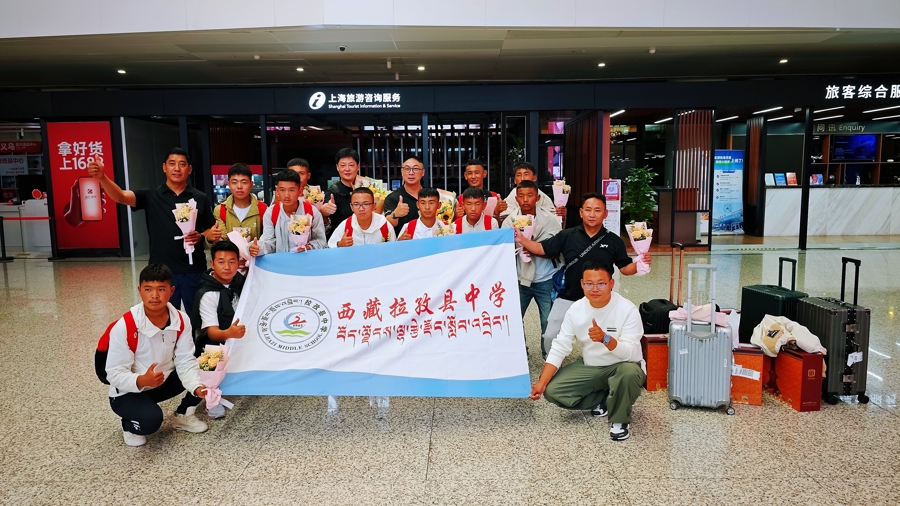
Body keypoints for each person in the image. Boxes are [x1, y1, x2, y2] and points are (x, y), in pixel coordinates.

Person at [514, 192, 652, 357]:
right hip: (568, 296)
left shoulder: (614, 241)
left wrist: (640, 264)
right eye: (588, 210)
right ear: (581, 212)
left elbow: (625, 268)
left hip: (601, 299)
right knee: (550, 335)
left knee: (607, 338)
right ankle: (552, 362)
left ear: (605, 213)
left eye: (597, 210)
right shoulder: (567, 235)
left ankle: (603, 364)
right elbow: (542, 248)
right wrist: (522, 239)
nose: (592, 214)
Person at [88, 148, 219, 312]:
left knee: (197, 317)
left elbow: (209, 229)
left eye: (182, 164)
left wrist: (200, 236)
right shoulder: (151, 196)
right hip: (161, 271)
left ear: (189, 169)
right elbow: (120, 196)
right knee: (164, 317)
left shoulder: (199, 197)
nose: (177, 168)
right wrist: (102, 177)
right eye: (172, 163)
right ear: (164, 167)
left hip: (194, 270)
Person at [529, 261, 645, 442]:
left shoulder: (627, 309)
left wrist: (606, 339)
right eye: (589, 284)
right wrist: (541, 382)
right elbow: (560, 346)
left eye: (601, 283)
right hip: (591, 366)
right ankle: (605, 398)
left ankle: (620, 420)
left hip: (623, 366)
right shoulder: (576, 309)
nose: (595, 289)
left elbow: (629, 353)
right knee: (552, 391)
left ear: (611, 283)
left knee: (629, 373)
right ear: (582, 284)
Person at [106, 263, 209, 447]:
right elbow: (113, 374)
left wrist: (196, 387)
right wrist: (141, 380)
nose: (154, 295)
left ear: (171, 291)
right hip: (128, 391)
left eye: (161, 289)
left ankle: (183, 414)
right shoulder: (125, 326)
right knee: (151, 421)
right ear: (139, 290)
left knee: (206, 368)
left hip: (162, 381)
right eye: (148, 289)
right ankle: (128, 425)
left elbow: (185, 359)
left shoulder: (181, 319)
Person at [190, 241, 246, 419]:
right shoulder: (208, 293)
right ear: (212, 264)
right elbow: (212, 333)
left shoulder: (240, 281)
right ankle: (211, 395)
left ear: (238, 263)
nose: (227, 267)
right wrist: (230, 333)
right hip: (215, 339)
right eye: (221, 262)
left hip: (238, 333)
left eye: (232, 261)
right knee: (211, 351)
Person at [502, 180, 560, 344]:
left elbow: (557, 248)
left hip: (546, 278)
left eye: (530, 195)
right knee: (513, 320)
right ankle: (520, 353)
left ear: (538, 197)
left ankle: (548, 354)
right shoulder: (510, 221)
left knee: (548, 322)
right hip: (520, 278)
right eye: (521, 196)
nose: (525, 199)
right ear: (516, 199)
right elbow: (504, 251)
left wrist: (535, 249)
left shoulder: (550, 219)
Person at [249, 169, 327, 256]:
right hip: (280, 262)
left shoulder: (312, 212)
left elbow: (321, 241)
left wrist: (309, 247)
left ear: (300, 191)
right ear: (277, 191)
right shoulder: (271, 213)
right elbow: (269, 242)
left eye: (291, 190)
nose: (286, 195)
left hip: (305, 260)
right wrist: (258, 248)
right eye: (282, 190)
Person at [212, 163, 266, 242]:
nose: (239, 186)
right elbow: (221, 241)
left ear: (251, 185)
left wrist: (259, 246)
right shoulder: (220, 210)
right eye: (234, 182)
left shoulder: (263, 209)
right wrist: (211, 238)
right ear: (229, 185)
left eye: (244, 182)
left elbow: (268, 240)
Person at [327, 187, 396, 247]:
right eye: (356, 204)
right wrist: (339, 244)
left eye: (366, 204)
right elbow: (330, 246)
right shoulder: (346, 226)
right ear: (351, 207)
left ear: (373, 206)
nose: (361, 209)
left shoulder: (384, 226)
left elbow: (393, 249)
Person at [499, 162, 564, 224]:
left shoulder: (543, 198)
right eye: (519, 175)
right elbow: (504, 222)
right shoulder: (512, 196)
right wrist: (496, 213)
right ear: (515, 180)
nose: (522, 178)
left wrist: (562, 216)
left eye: (526, 174)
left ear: (534, 178)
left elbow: (555, 222)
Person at [323, 148, 361, 239]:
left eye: (351, 165)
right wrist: (326, 209)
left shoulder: (367, 187)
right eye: (343, 165)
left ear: (358, 166)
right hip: (341, 238)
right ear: (337, 167)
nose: (347, 169)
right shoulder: (333, 190)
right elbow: (324, 208)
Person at [383, 156, 425, 234]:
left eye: (415, 169)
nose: (411, 173)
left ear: (423, 172)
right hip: (403, 240)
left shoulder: (430, 195)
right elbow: (389, 224)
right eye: (407, 169)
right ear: (402, 172)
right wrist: (395, 214)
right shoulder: (392, 198)